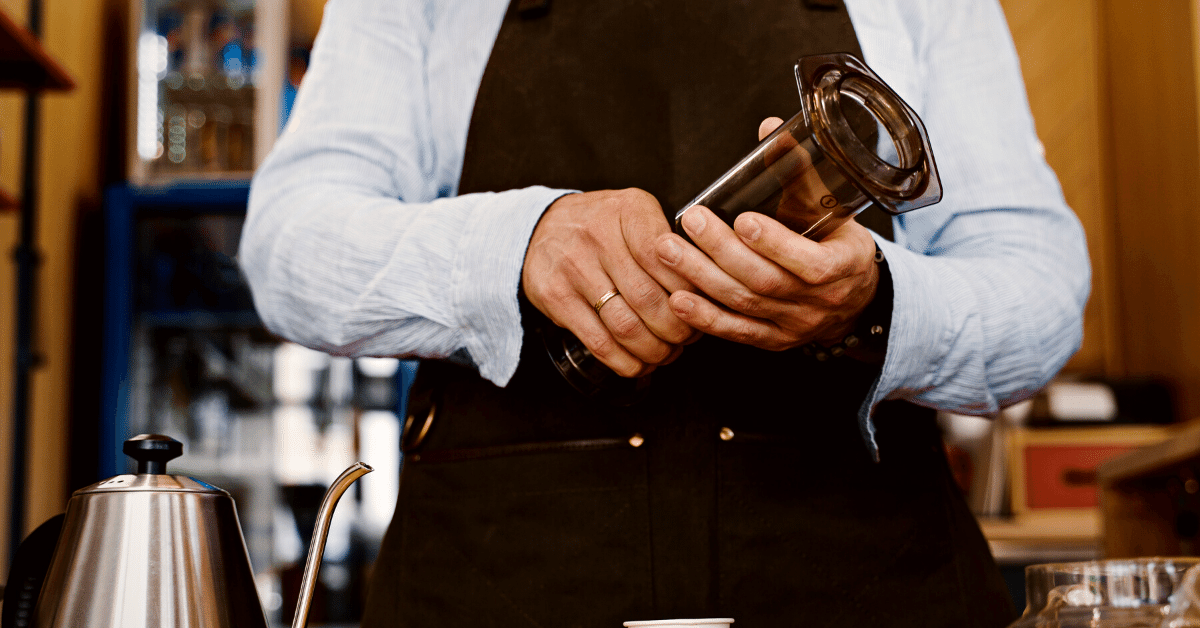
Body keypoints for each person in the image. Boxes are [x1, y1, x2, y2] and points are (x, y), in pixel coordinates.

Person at [239, 0, 1090, 626]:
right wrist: (514, 244)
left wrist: (874, 298)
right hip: (500, 582)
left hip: (868, 582)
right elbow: (288, 250)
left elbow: (1041, 296)